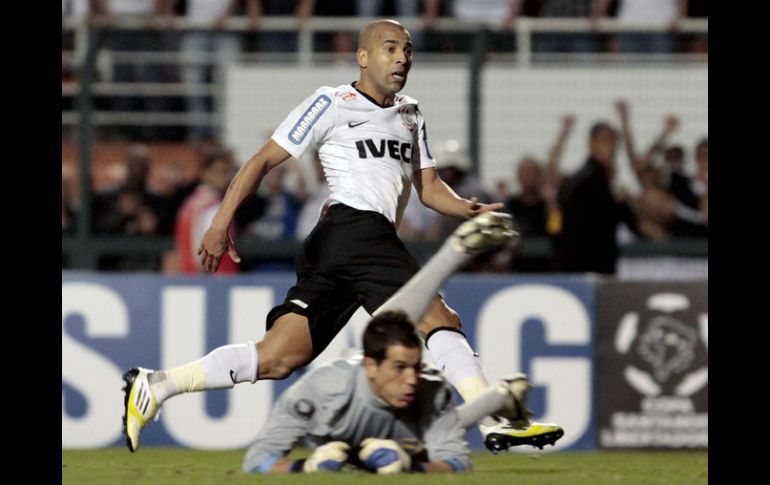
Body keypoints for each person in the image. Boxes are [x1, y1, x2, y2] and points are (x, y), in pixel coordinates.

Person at [122, 19, 562, 454]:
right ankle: (493, 420)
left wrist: (465, 206)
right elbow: (261, 161)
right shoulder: (331, 102)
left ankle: (156, 385)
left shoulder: (410, 113)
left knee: (278, 357)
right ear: (364, 56)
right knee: (440, 321)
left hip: (342, 246)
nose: (402, 58)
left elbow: (428, 188)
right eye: (391, 48)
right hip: (354, 228)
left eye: (407, 51)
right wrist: (220, 223)